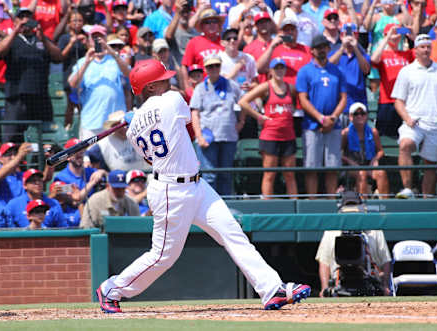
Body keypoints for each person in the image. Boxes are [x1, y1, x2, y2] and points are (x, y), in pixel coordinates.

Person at [95, 58, 311, 314]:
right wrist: (146, 115)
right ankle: (112, 289)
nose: (169, 81)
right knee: (163, 256)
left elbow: (162, 145)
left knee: (232, 233)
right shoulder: (172, 100)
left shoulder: (132, 129)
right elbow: (187, 130)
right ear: (149, 87)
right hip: (170, 191)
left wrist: (139, 118)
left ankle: (271, 289)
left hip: (195, 185)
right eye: (162, 80)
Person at [391, 34, 437, 198]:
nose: (426, 50)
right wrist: (407, 118)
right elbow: (398, 101)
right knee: (405, 145)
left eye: (428, 46)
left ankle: (427, 199)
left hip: (436, 125)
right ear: (415, 50)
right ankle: (407, 189)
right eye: (422, 47)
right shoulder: (406, 71)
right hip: (414, 123)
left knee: (430, 165)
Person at [0, 7, 63, 142]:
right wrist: (15, 31)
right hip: (16, 97)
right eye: (22, 17)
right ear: (16, 21)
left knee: (44, 138)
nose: (26, 20)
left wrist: (42, 38)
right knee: (12, 136)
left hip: (40, 96)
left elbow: (58, 57)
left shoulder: (42, 39)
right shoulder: (12, 39)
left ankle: (42, 161)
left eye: (29, 17)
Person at [238, 57, 298, 199]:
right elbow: (243, 101)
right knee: (269, 173)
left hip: (288, 135)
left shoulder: (290, 88)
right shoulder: (266, 86)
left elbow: (295, 103)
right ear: (271, 71)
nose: (279, 71)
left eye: (281, 68)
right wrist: (259, 116)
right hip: (270, 135)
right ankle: (267, 204)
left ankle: (295, 205)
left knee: (290, 174)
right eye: (276, 68)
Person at [296, 34, 347, 197]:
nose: (322, 50)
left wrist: (332, 118)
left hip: (333, 125)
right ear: (312, 50)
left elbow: (343, 98)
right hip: (312, 125)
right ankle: (312, 201)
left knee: (332, 167)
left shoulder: (337, 71)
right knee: (312, 167)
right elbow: (303, 99)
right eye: (318, 48)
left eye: (324, 47)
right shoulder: (305, 71)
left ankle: (331, 200)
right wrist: (320, 118)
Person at [190, 53, 243, 195]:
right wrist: (199, 136)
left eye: (216, 65)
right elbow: (194, 113)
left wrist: (241, 121)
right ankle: (209, 208)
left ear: (220, 66)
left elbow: (244, 102)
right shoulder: (200, 88)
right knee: (209, 176)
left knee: (226, 175)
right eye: (210, 66)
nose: (213, 68)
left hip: (228, 136)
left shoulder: (232, 85)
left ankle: (226, 208)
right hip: (208, 137)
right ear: (205, 69)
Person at [68, 24, 130, 140]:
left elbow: (129, 74)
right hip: (91, 122)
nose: (97, 42)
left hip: (114, 122)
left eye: (100, 38)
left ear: (105, 40)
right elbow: (72, 84)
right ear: (89, 41)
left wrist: (112, 53)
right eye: (94, 38)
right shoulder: (82, 62)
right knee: (90, 157)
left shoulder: (115, 59)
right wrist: (87, 62)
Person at [315, 230, 392, 297]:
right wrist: (324, 289)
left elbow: (386, 261)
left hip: (370, 284)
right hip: (338, 284)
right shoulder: (330, 232)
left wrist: (385, 286)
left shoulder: (376, 232)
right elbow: (324, 262)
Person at [371, 23, 414, 138]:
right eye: (392, 33)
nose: (395, 37)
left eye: (397, 34)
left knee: (404, 136)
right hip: (386, 101)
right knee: (382, 136)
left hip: (404, 101)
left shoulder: (407, 54)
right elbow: (374, 59)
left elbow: (422, 54)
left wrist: (413, 37)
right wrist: (387, 36)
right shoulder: (383, 54)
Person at [341, 102, 389, 197]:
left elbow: (380, 151)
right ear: (351, 116)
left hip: (369, 164)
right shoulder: (345, 133)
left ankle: (384, 204)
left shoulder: (373, 132)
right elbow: (340, 153)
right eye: (356, 114)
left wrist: (374, 161)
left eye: (362, 113)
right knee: (361, 173)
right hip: (351, 167)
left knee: (381, 173)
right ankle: (363, 204)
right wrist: (351, 162)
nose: (360, 116)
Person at [329, 22, 370, 128]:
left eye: (352, 34)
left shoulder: (363, 55)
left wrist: (356, 48)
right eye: (345, 34)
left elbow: (366, 69)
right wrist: (342, 48)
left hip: (358, 105)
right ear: (341, 35)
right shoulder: (335, 53)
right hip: (339, 105)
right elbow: (327, 66)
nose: (349, 37)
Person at [84, 112, 152, 172]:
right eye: (116, 126)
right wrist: (86, 159)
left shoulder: (140, 134)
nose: (121, 128)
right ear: (112, 128)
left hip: (145, 174)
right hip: (119, 179)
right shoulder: (105, 142)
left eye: (122, 124)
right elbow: (88, 153)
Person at [57, 9, 88, 128]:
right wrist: (71, 43)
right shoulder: (64, 38)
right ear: (69, 23)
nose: (77, 23)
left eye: (80, 21)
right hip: (69, 75)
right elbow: (60, 56)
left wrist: (86, 43)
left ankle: (83, 127)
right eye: (74, 21)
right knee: (70, 103)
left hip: (84, 76)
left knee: (82, 104)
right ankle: (67, 129)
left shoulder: (85, 36)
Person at [181, 8, 225, 91]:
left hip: (222, 86)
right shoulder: (194, 42)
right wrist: (188, 88)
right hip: (201, 88)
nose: (211, 24)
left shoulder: (225, 42)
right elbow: (184, 66)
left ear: (218, 25)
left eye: (214, 21)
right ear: (201, 26)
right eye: (207, 22)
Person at [0, 142, 32, 208]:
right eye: (9, 154)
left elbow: (43, 179)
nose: (13, 157)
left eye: (15, 154)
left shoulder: (22, 175)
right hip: (2, 215)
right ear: (1, 159)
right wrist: (19, 155)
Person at [219, 27, 258, 91]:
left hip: (245, 96)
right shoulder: (218, 60)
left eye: (235, 38)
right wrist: (238, 66)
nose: (232, 41)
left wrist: (250, 86)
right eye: (228, 39)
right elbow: (220, 83)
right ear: (222, 43)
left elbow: (256, 83)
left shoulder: (248, 58)